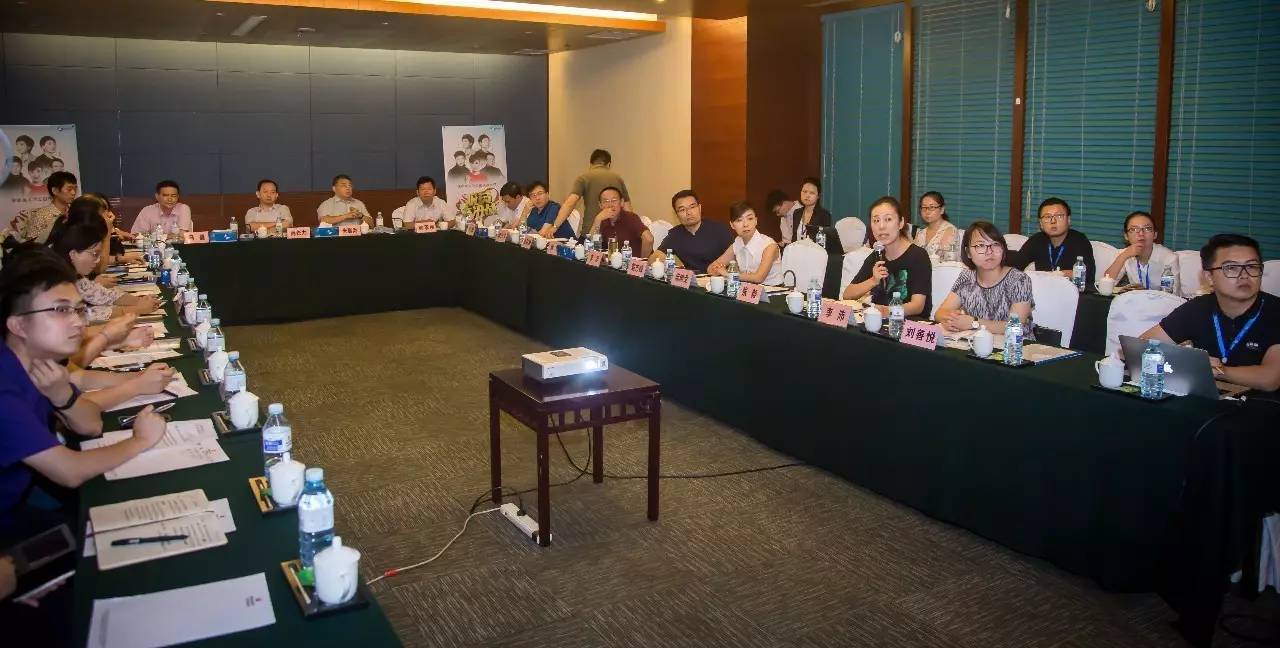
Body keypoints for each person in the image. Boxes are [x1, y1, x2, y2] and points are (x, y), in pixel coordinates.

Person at [0, 246, 166, 534]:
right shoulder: (5, 385)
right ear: (18, 325)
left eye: (79, 309)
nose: (79, 322)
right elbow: (70, 471)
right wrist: (139, 441)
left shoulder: (39, 362)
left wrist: (61, 395)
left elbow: (90, 425)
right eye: (61, 310)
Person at [1142, 234, 1279, 392]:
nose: (1244, 275)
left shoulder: (1275, 312)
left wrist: (1216, 370)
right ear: (1209, 277)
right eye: (1231, 268)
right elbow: (1141, 347)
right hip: (1207, 397)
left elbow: (1270, 378)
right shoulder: (1197, 308)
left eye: (1252, 266)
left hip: (1262, 403)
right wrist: (1186, 360)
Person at [935, 221, 1035, 338]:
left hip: (1015, 346)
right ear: (968, 252)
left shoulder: (1019, 280)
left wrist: (974, 323)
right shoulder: (966, 277)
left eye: (995, 244)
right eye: (980, 245)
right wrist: (951, 320)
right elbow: (940, 313)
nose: (989, 251)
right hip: (975, 343)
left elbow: (1014, 327)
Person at [49, 218, 159, 323]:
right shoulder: (57, 284)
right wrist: (137, 309)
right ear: (73, 254)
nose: (97, 260)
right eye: (94, 254)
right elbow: (89, 316)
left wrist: (139, 301)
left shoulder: (75, 276)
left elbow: (104, 295)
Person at [842, 196, 932, 317]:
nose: (881, 226)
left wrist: (888, 311)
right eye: (876, 221)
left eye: (888, 219)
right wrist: (873, 281)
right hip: (878, 321)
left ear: (901, 223)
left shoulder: (918, 256)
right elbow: (847, 294)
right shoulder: (877, 255)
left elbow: (918, 306)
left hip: (908, 323)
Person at [541, 149, 630, 238]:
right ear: (609, 164)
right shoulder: (618, 179)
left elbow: (570, 203)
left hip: (591, 233)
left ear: (591, 164)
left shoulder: (584, 178)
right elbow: (627, 209)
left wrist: (555, 226)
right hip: (616, 235)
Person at [1009, 197, 1096, 286]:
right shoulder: (1037, 240)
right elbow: (1016, 265)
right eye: (1047, 217)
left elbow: (1088, 275)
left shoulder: (1080, 240)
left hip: (1072, 291)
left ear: (1069, 220)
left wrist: (1058, 274)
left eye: (1059, 216)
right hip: (1043, 290)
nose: (1053, 221)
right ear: (1041, 224)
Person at [648, 190, 734, 274]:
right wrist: (661, 259)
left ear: (699, 208)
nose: (688, 212)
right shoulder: (675, 234)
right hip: (691, 280)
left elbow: (735, 255)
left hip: (718, 278)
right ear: (676, 214)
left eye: (692, 207)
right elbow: (655, 257)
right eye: (682, 210)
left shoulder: (719, 229)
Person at [707, 202, 783, 286]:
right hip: (747, 290)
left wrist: (728, 274)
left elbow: (758, 278)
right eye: (739, 220)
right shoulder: (737, 243)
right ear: (732, 225)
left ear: (756, 221)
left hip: (774, 290)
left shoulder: (769, 245)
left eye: (750, 219)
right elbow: (710, 269)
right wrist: (717, 269)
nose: (745, 224)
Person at [1102, 211, 1179, 291]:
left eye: (1147, 228)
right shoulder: (1125, 254)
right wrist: (1124, 256)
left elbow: (1173, 294)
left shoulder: (1169, 258)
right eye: (1134, 229)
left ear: (1155, 234)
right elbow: (1105, 285)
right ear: (1126, 236)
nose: (1141, 233)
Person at [12, 172, 77, 244]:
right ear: (55, 191)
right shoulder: (41, 216)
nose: (73, 192)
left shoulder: (75, 211)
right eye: (69, 189)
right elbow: (33, 247)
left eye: (75, 188)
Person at [589, 186, 651, 258]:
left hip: (631, 262)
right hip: (612, 262)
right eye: (606, 201)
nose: (610, 205)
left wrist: (642, 260)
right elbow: (590, 246)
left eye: (614, 200)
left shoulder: (631, 218)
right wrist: (597, 220)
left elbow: (648, 239)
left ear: (621, 202)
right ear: (600, 205)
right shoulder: (601, 219)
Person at [914, 191, 959, 259]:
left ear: (942, 210)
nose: (927, 211)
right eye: (924, 207)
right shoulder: (920, 233)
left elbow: (947, 259)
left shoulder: (950, 231)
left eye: (932, 207)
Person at [791, 177, 832, 245]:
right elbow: (794, 238)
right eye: (804, 191)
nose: (807, 195)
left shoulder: (824, 215)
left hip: (815, 251)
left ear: (818, 196)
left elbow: (821, 243)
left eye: (812, 193)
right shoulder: (797, 213)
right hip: (797, 250)